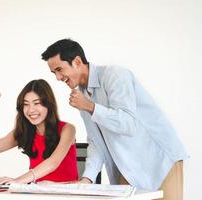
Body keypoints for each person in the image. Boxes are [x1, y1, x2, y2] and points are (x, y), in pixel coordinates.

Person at [41, 39, 188, 200]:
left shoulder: (115, 75)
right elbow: (96, 142)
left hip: (159, 161)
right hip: (128, 168)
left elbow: (128, 124)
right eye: (54, 72)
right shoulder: (82, 96)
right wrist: (87, 178)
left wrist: (91, 107)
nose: (58, 77)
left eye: (59, 69)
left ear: (77, 61)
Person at [0, 79, 78, 184]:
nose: (31, 110)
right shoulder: (25, 131)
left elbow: (53, 162)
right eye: (26, 104)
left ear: (49, 104)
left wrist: (18, 181)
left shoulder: (68, 129)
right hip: (36, 193)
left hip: (65, 193)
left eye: (37, 103)